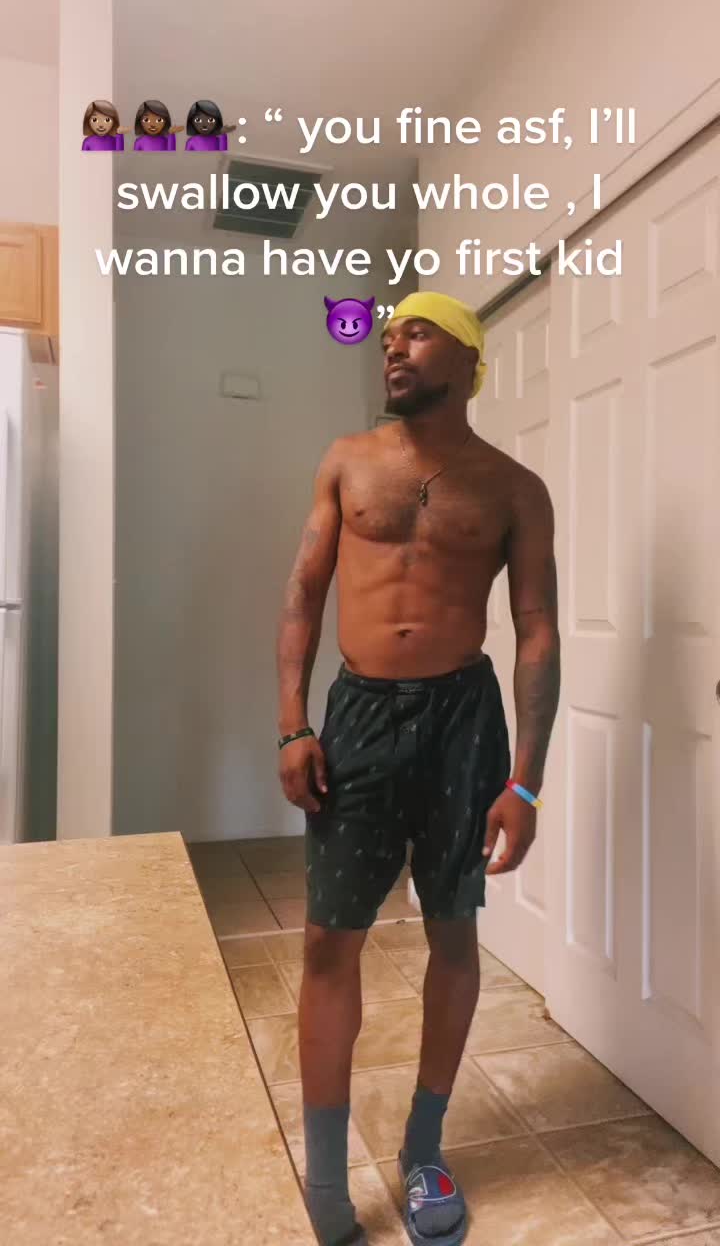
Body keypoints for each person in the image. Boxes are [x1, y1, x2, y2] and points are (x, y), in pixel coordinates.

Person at [276, 290, 561, 1246]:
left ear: (471, 361)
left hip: (461, 721)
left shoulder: (515, 488)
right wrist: (292, 726)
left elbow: (536, 630)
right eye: (388, 335)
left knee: (453, 933)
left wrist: (526, 781)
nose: (392, 346)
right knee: (330, 941)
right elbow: (303, 593)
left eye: (417, 331)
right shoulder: (347, 461)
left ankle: (424, 1150)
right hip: (358, 714)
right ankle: (326, 1178)